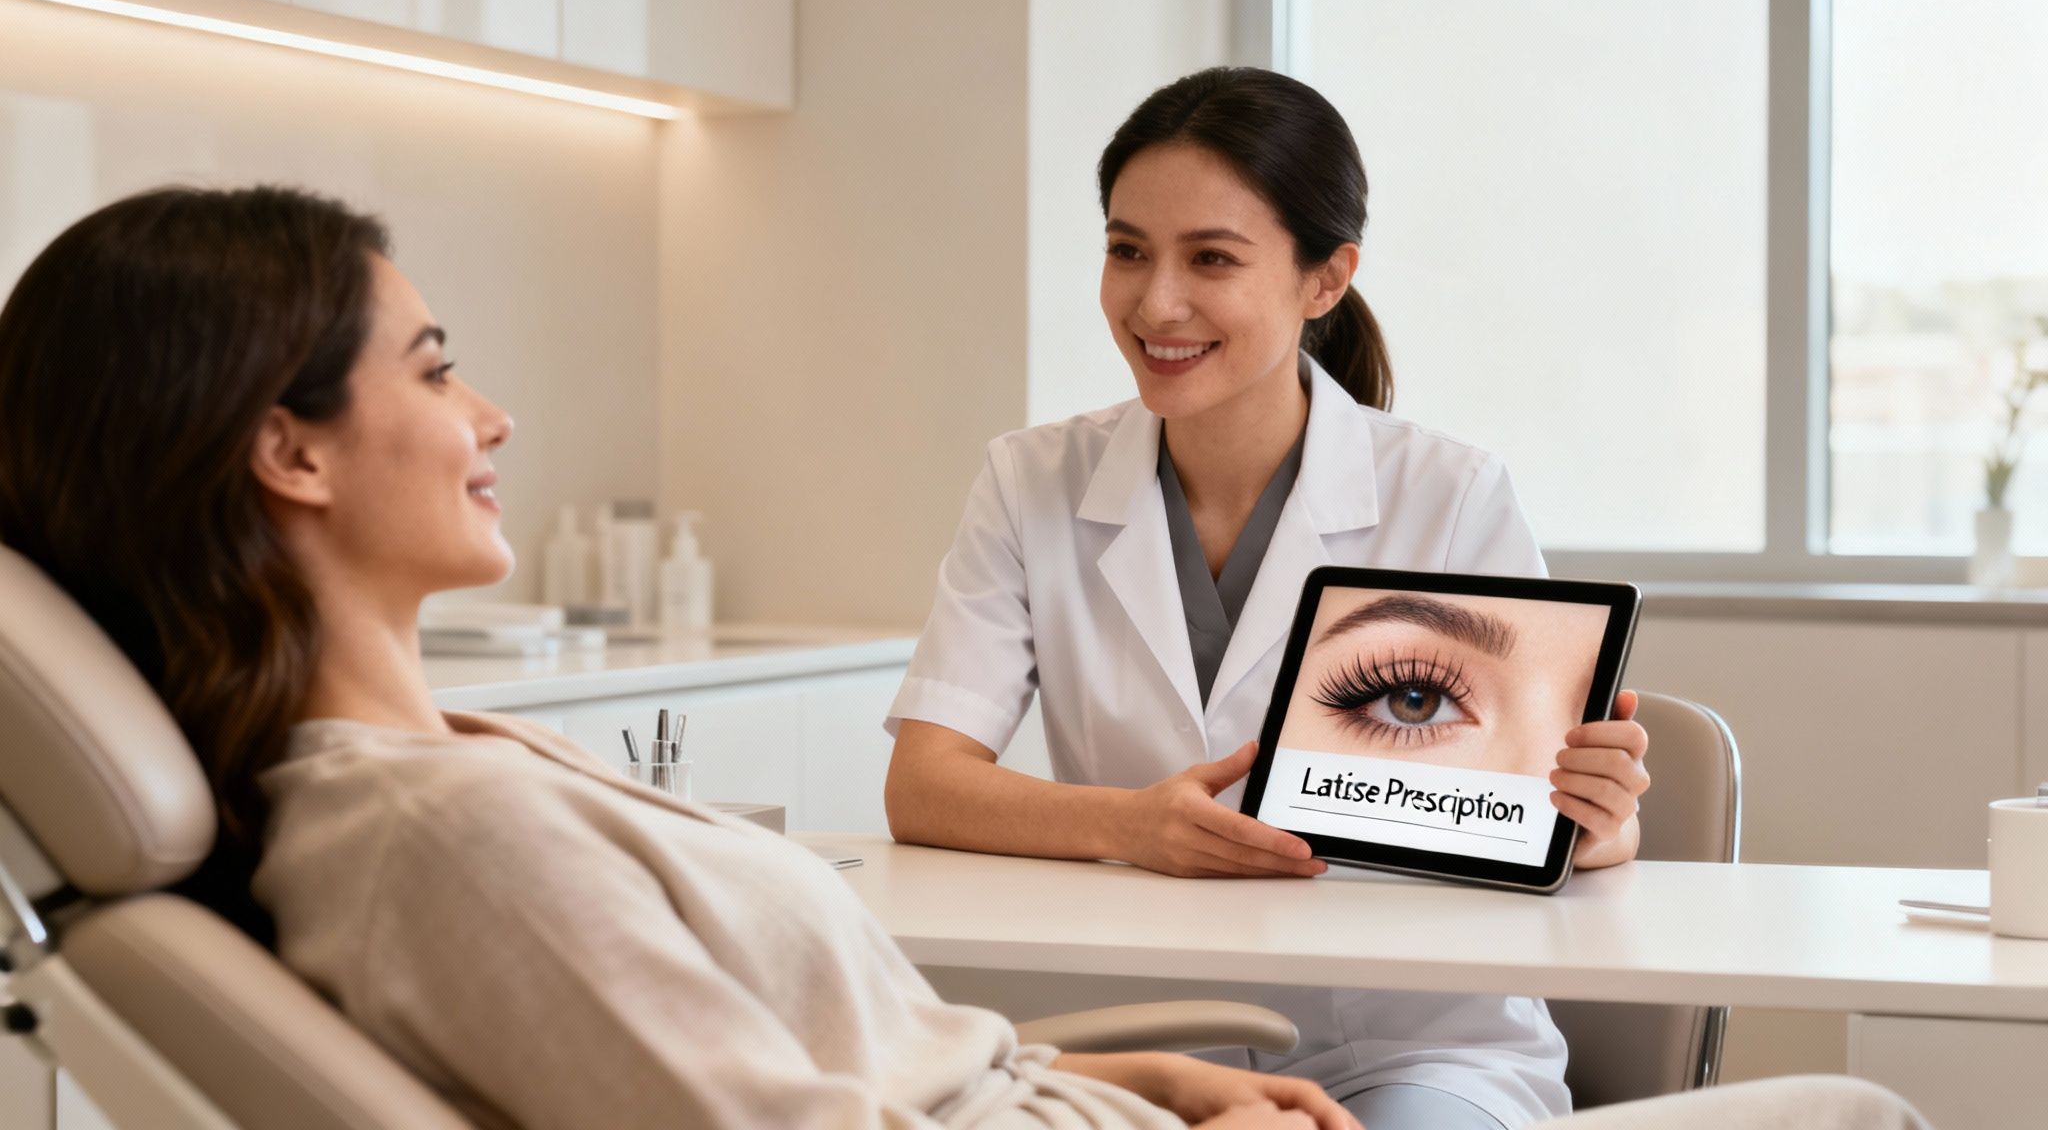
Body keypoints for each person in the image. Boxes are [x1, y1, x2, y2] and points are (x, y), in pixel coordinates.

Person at [0, 185, 1359, 1130]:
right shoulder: (445, 835)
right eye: (431, 371)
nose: (492, 416)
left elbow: (795, 1068)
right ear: (290, 451)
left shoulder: (455, 768)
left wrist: (1120, 1078)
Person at [883, 67, 1648, 1129]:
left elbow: (1548, 823)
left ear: (1324, 279)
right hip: (1151, 1045)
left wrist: (1597, 820)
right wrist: (1134, 826)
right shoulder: (1031, 483)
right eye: (1126, 250)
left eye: (1211, 259)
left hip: (1413, 1045)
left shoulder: (1447, 497)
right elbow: (923, 787)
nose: (1155, 304)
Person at [1282, 588, 1611, 775]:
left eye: (1586, 710)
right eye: (1415, 700)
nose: (1543, 781)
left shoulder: (1463, 484)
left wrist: (1607, 828)